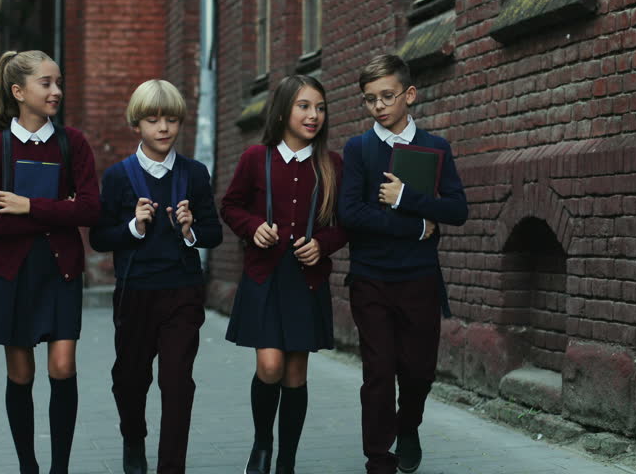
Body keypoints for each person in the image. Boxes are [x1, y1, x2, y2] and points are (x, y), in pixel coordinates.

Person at [0, 50, 101, 474]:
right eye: (47, 83)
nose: (56, 90)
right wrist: (59, 208)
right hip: (14, 273)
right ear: (18, 91)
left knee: (62, 368)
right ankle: (29, 467)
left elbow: (92, 210)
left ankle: (59, 468)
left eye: (59, 82)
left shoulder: (72, 142)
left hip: (61, 270)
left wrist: (27, 206)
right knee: (21, 376)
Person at [338, 54, 469, 474]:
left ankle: (408, 425)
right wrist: (414, 227)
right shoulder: (358, 149)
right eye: (369, 99)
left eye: (387, 96)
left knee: (418, 370)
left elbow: (457, 210)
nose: (378, 106)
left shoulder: (435, 147)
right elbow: (350, 214)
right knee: (378, 370)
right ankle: (378, 459)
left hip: (419, 279)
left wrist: (405, 199)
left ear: (409, 95)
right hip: (371, 278)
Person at [89, 79, 223, 474]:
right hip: (134, 293)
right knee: (129, 381)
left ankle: (171, 466)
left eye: (170, 120)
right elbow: (99, 237)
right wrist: (133, 227)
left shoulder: (194, 174)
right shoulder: (118, 177)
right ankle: (134, 439)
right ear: (137, 125)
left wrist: (189, 230)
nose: (163, 128)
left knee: (177, 384)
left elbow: (213, 233)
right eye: (153, 120)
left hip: (182, 292)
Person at [220, 74, 346, 474]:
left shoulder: (332, 165)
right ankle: (262, 446)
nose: (313, 115)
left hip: (306, 281)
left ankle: (287, 460)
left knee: (295, 372)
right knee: (270, 366)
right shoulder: (256, 158)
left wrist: (322, 245)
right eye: (304, 106)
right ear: (283, 110)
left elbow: (345, 224)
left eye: (320, 108)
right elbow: (231, 206)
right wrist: (252, 227)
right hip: (265, 278)